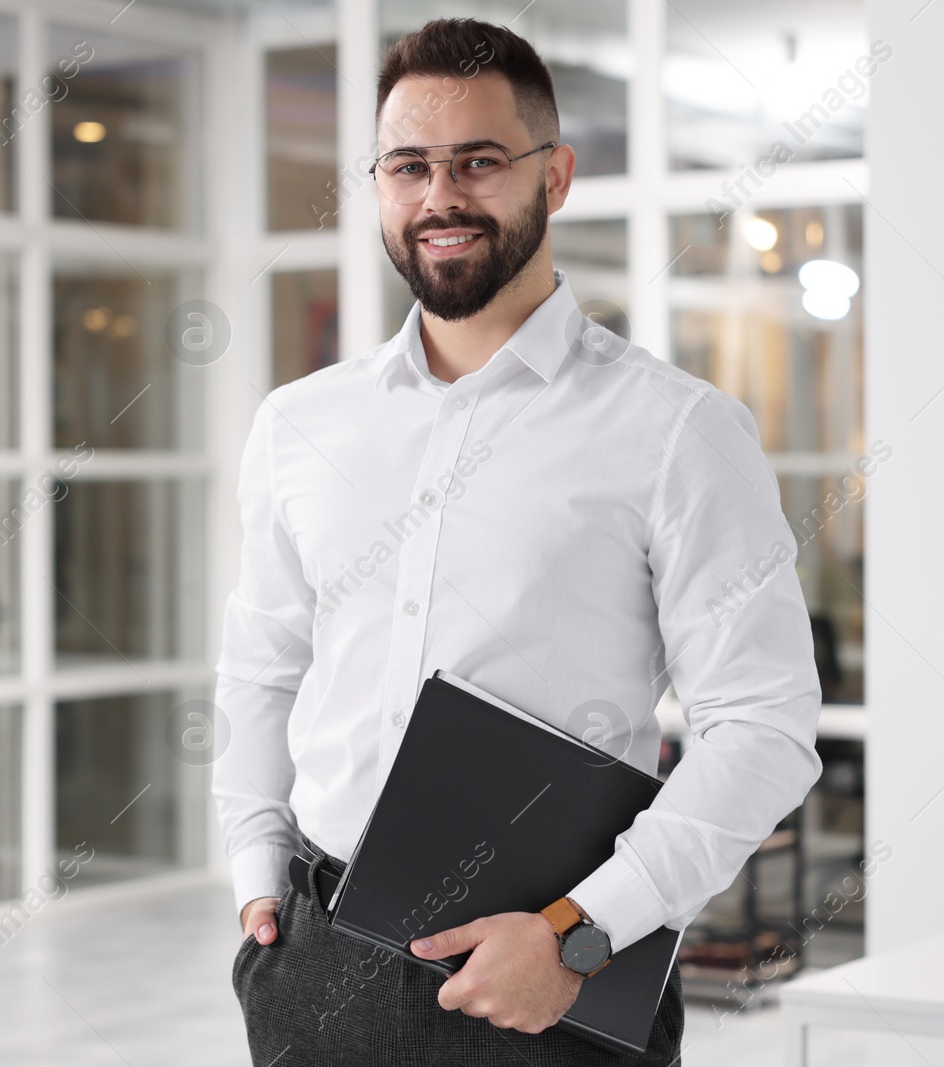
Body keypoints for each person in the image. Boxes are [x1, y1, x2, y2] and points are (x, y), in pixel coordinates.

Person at [213, 16, 822, 1065]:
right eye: (408, 165)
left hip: (554, 977)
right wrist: (257, 869)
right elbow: (262, 664)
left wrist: (577, 936)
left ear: (555, 175)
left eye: (479, 161)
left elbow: (764, 724)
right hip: (314, 962)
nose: (439, 196)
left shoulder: (675, 430)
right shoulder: (300, 424)